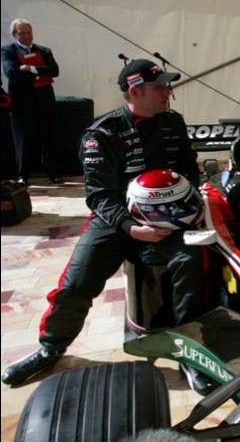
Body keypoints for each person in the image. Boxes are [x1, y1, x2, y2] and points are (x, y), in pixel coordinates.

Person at [1, 58, 212, 393]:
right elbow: (100, 197)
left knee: (191, 265)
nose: (168, 93)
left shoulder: (173, 122)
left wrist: (191, 208)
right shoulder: (101, 134)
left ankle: (190, 355)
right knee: (75, 282)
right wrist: (131, 228)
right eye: (160, 87)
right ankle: (50, 348)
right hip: (115, 221)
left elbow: (189, 170)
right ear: (136, 91)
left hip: (168, 221)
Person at [1, 19, 62, 185]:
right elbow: (11, 72)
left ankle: (53, 172)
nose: (26, 36)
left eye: (28, 32)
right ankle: (23, 174)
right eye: (22, 33)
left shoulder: (44, 50)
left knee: (49, 138)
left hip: (44, 102)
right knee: (23, 140)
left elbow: (54, 71)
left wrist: (30, 68)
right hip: (22, 104)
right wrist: (40, 73)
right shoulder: (8, 51)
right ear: (15, 34)